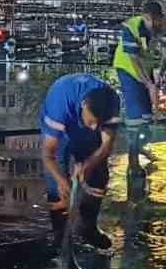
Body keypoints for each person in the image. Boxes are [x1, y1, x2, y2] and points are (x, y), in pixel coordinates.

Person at [39, 73, 122, 257]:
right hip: (62, 133)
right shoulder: (59, 102)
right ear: (84, 105)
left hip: (84, 131)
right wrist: (62, 181)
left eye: (99, 124)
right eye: (92, 121)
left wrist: (86, 166)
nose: (94, 127)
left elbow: (106, 145)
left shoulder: (111, 102)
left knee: (98, 175)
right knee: (57, 189)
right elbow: (48, 154)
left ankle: (89, 228)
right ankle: (60, 239)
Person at [112, 0, 166, 168]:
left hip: (147, 65)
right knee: (136, 115)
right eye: (149, 20)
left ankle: (139, 149)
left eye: (156, 20)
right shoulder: (130, 28)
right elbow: (133, 60)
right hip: (128, 69)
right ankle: (133, 162)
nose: (153, 25)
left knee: (147, 116)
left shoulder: (165, 26)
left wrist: (161, 74)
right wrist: (148, 83)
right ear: (144, 17)